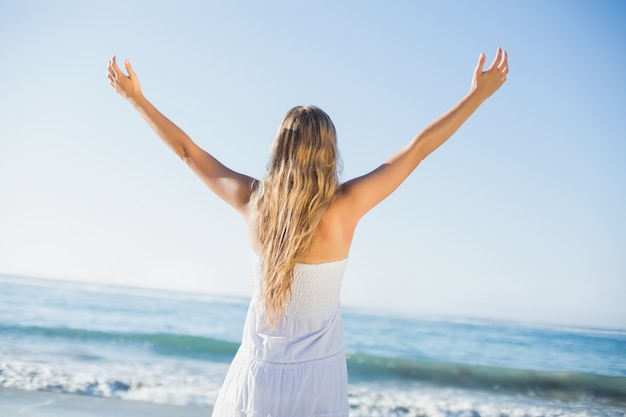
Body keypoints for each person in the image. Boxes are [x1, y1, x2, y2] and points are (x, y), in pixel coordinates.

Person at [107, 47, 508, 417]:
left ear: (279, 147)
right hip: (318, 383)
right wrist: (477, 96)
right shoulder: (346, 205)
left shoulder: (253, 202)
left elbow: (188, 152)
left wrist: (136, 99)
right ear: (329, 151)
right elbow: (418, 148)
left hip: (257, 377)